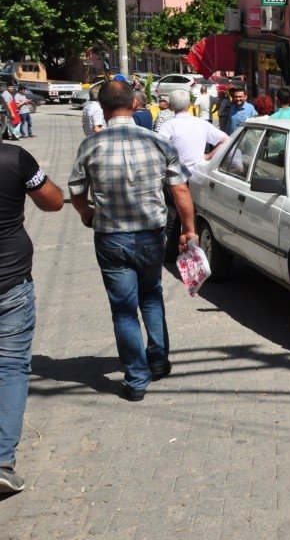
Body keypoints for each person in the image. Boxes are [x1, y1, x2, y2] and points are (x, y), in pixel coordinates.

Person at [68, 80, 197, 402]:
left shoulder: (90, 145)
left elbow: (76, 190)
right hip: (152, 234)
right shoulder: (157, 141)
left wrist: (87, 215)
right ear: (136, 104)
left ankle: (136, 379)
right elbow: (179, 189)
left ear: (103, 108)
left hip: (111, 237)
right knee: (151, 295)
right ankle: (158, 360)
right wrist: (188, 228)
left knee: (123, 309)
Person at [0, 140, 64, 493]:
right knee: (10, 367)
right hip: (10, 283)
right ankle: (2, 461)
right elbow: (53, 201)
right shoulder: (14, 157)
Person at [155, 88, 228, 172]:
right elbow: (226, 140)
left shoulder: (167, 126)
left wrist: (208, 155)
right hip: (199, 174)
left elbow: (158, 149)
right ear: (189, 105)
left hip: (177, 174)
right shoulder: (202, 123)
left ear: (170, 106)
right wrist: (208, 156)